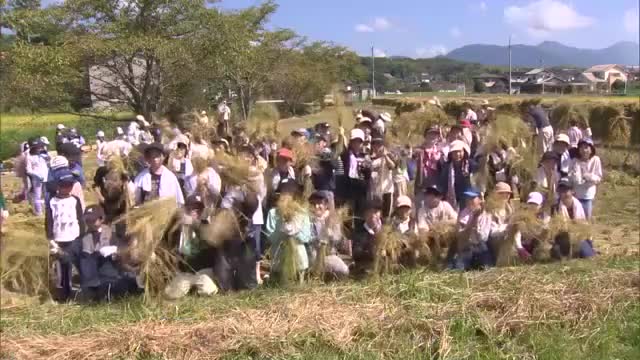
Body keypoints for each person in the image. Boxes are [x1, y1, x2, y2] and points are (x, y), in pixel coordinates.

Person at [164, 195, 219, 300]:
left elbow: (208, 239)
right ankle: (190, 288)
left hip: (204, 271)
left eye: (198, 209)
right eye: (191, 208)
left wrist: (194, 223)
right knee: (171, 294)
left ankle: (196, 288)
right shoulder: (176, 229)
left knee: (208, 291)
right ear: (185, 209)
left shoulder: (205, 226)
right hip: (186, 272)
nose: (194, 211)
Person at [46, 169, 84, 301]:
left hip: (74, 237)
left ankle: (84, 288)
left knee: (79, 264)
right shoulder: (52, 201)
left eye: (70, 185)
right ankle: (65, 293)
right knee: (63, 267)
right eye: (64, 185)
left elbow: (80, 218)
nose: (67, 188)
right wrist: (50, 239)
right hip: (59, 239)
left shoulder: (75, 200)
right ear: (58, 185)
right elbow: (49, 220)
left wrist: (82, 236)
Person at [265, 179, 312, 281]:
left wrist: (295, 232)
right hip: (278, 262)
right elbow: (270, 238)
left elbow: (306, 238)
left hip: (299, 262)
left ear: (295, 194)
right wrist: (282, 230)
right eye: (284, 191)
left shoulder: (302, 213)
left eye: (289, 191)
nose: (286, 195)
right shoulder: (273, 213)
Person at [449, 188, 493, 270]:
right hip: (466, 247)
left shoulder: (486, 214)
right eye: (467, 198)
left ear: (479, 199)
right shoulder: (463, 213)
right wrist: (472, 221)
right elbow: (460, 234)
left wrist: (474, 224)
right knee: (458, 269)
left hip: (480, 247)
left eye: (472, 198)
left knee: (487, 268)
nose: (469, 200)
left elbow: (483, 237)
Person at [308, 191, 349, 278]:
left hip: (330, 255)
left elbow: (339, 241)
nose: (316, 206)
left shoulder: (333, 220)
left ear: (326, 205)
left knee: (344, 270)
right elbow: (309, 239)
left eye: (319, 203)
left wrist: (330, 233)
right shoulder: (308, 220)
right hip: (314, 256)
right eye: (313, 203)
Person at [551, 179, 595, 259]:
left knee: (588, 255)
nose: (564, 194)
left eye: (566, 191)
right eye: (561, 191)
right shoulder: (556, 207)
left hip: (578, 236)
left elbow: (584, 225)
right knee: (557, 253)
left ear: (572, 191)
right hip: (563, 238)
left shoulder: (579, 205)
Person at [569, 139, 602, 220]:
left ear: (591, 149)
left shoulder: (596, 160)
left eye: (586, 147)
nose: (584, 150)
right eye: (581, 148)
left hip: (588, 195)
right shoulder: (574, 161)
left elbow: (598, 177)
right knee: (575, 218)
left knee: (586, 218)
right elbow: (570, 177)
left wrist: (589, 176)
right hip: (575, 195)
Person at [438, 140, 477, 209]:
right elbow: (443, 184)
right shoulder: (447, 167)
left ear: (464, 152)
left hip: (468, 196)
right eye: (455, 152)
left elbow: (478, 179)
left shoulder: (471, 164)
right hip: (453, 196)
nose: (457, 154)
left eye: (460, 151)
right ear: (451, 154)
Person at [351, 199, 383, 272]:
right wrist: (372, 251)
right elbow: (356, 253)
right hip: (366, 268)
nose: (372, 215)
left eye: (375, 212)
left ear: (380, 213)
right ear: (364, 215)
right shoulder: (359, 232)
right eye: (369, 212)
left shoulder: (386, 228)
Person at [368, 137, 396, 219]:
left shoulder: (388, 157)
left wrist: (385, 156)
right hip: (375, 191)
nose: (377, 147)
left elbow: (392, 166)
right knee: (376, 215)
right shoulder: (370, 158)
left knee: (386, 215)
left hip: (386, 191)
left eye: (379, 144)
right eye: (375, 144)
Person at [25, 137, 49, 216]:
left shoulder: (43, 153)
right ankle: (39, 212)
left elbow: (48, 163)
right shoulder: (29, 156)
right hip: (37, 179)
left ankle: (48, 209)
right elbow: (28, 170)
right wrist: (36, 175)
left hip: (46, 176)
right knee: (37, 195)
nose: (39, 148)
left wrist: (47, 157)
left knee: (47, 194)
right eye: (38, 147)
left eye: (40, 147)